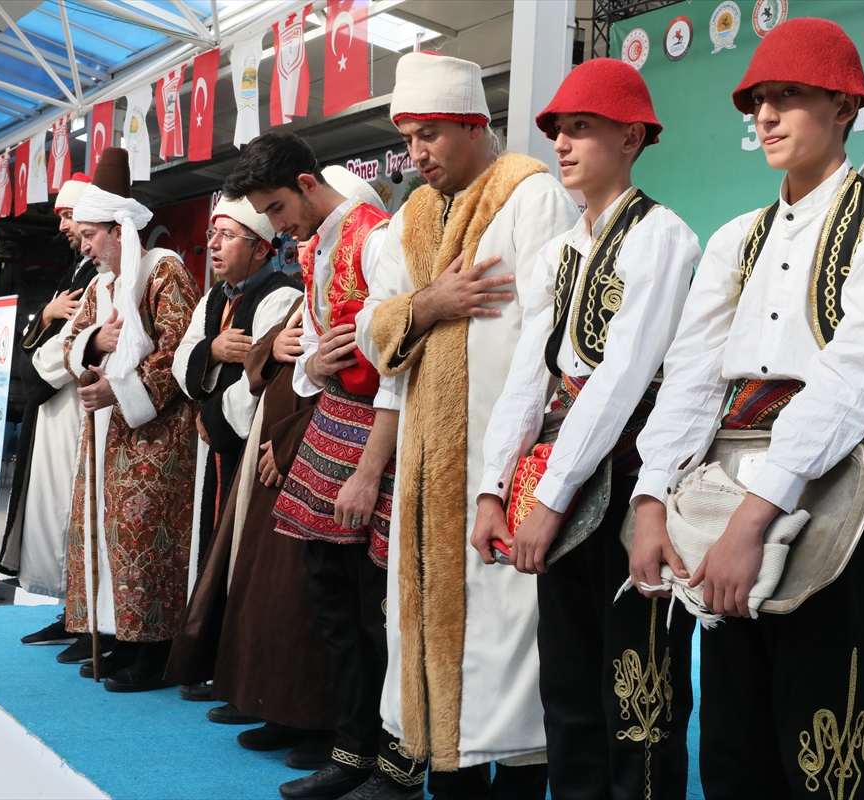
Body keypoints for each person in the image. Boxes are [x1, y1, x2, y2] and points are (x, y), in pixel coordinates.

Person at [628, 19, 864, 798]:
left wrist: (751, 522)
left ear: (844, 106)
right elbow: (692, 378)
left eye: (788, 96)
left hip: (835, 500)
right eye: (758, 99)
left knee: (828, 750)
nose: (764, 115)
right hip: (724, 497)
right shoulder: (737, 238)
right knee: (733, 746)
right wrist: (652, 502)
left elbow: (854, 379)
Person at [473, 59, 702, 800]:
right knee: (567, 678)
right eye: (559, 131)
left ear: (632, 136)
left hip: (638, 477)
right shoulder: (559, 252)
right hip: (562, 468)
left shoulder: (661, 236)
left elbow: (623, 375)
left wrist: (548, 498)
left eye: (583, 128)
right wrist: (492, 486)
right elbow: (529, 377)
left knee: (640, 689)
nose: (563, 144)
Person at [354, 51, 579, 798]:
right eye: (409, 139)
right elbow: (369, 327)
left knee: (509, 657)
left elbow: (557, 336)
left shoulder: (532, 197)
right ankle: (443, 772)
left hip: (505, 464)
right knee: (430, 646)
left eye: (430, 136)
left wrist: (536, 466)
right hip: (427, 466)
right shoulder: (413, 214)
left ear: (474, 124)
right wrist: (427, 306)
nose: (416, 155)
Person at [224, 133, 401, 800]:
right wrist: (308, 365)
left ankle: (384, 756)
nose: (274, 223)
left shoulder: (376, 237)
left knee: (370, 606)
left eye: (274, 208)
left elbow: (398, 354)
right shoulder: (320, 244)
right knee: (333, 598)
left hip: (371, 431)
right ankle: (351, 747)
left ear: (305, 182)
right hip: (332, 418)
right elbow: (320, 351)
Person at [61, 148, 201, 691]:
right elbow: (72, 342)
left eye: (92, 236)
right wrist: (96, 341)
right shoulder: (102, 286)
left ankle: (156, 651)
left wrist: (117, 393)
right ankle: (119, 636)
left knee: (148, 536)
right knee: (107, 534)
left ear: (119, 231)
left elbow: (176, 350)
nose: (87, 246)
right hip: (107, 436)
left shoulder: (163, 270)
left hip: (157, 437)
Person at [171, 195, 301, 618]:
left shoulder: (280, 297)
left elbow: (260, 382)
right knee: (207, 539)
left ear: (261, 246)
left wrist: (210, 417)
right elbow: (180, 357)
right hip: (214, 443)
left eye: (227, 236)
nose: (212, 244)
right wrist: (211, 349)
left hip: (245, 444)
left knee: (237, 542)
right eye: (212, 234)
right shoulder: (213, 298)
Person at [0, 173, 99, 648]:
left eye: (68, 216)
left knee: (72, 513)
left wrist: (45, 346)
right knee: (55, 511)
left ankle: (83, 616)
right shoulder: (76, 273)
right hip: (57, 408)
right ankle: (69, 611)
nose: (63, 227)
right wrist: (43, 318)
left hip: (79, 406)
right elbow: (40, 341)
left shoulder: (100, 274)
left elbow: (67, 348)